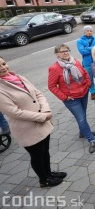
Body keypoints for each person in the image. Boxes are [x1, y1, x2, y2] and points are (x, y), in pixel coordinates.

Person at [0, 56, 66, 188]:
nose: (3, 68)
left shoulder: (18, 77)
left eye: (4, 63)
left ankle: (49, 173)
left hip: (42, 121)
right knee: (37, 155)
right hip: (27, 128)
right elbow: (14, 112)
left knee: (45, 151)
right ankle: (44, 180)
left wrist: (46, 111)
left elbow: (38, 93)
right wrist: (41, 117)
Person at [48, 44, 95, 153]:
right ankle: (91, 139)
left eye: (67, 50)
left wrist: (88, 84)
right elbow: (51, 86)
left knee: (82, 116)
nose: (65, 52)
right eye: (62, 51)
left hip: (83, 93)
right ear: (57, 54)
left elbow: (84, 72)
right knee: (81, 118)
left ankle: (83, 132)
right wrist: (64, 97)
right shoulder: (54, 68)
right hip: (71, 99)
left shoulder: (75, 61)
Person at [77, 25, 95, 100]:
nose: (89, 32)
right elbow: (82, 51)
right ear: (84, 32)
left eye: (91, 31)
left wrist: (87, 48)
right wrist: (93, 48)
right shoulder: (80, 41)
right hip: (87, 63)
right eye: (87, 31)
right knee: (89, 78)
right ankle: (92, 92)